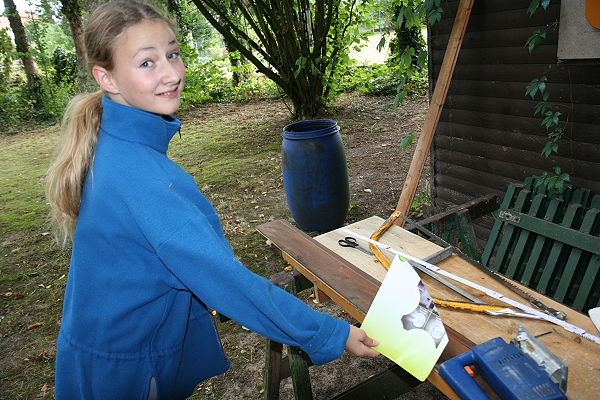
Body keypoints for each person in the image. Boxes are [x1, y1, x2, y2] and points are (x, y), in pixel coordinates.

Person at [45, 1, 379, 398]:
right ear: (107, 78)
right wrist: (331, 333)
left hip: (107, 355)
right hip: (127, 374)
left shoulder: (115, 144)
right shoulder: (143, 180)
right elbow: (227, 282)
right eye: (147, 62)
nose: (171, 73)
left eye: (172, 54)